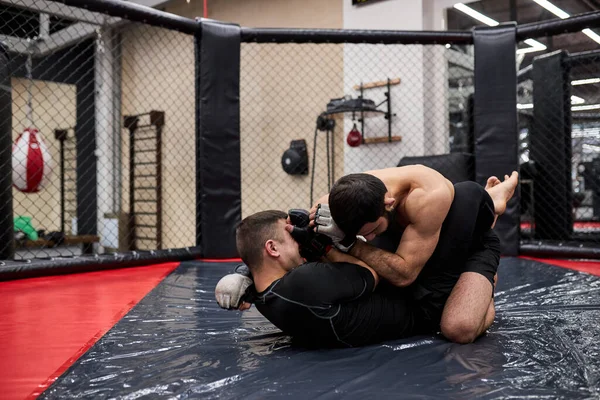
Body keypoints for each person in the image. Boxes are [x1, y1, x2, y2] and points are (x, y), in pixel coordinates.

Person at [215, 174, 513, 346]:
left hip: (409, 269)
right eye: (291, 234)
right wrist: (328, 248)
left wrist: (246, 274)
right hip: (420, 301)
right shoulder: (303, 283)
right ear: (273, 249)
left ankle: (490, 205)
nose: (301, 235)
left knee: (462, 198)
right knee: (459, 327)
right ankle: (483, 255)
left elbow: (401, 272)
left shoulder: (266, 291)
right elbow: (378, 273)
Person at [310, 165, 518, 343]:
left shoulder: (427, 196)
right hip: (423, 237)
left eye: (372, 230)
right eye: (363, 234)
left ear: (388, 204)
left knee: (458, 329)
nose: (371, 238)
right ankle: (492, 200)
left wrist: (350, 243)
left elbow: (405, 275)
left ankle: (492, 209)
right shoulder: (340, 199)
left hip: (471, 239)